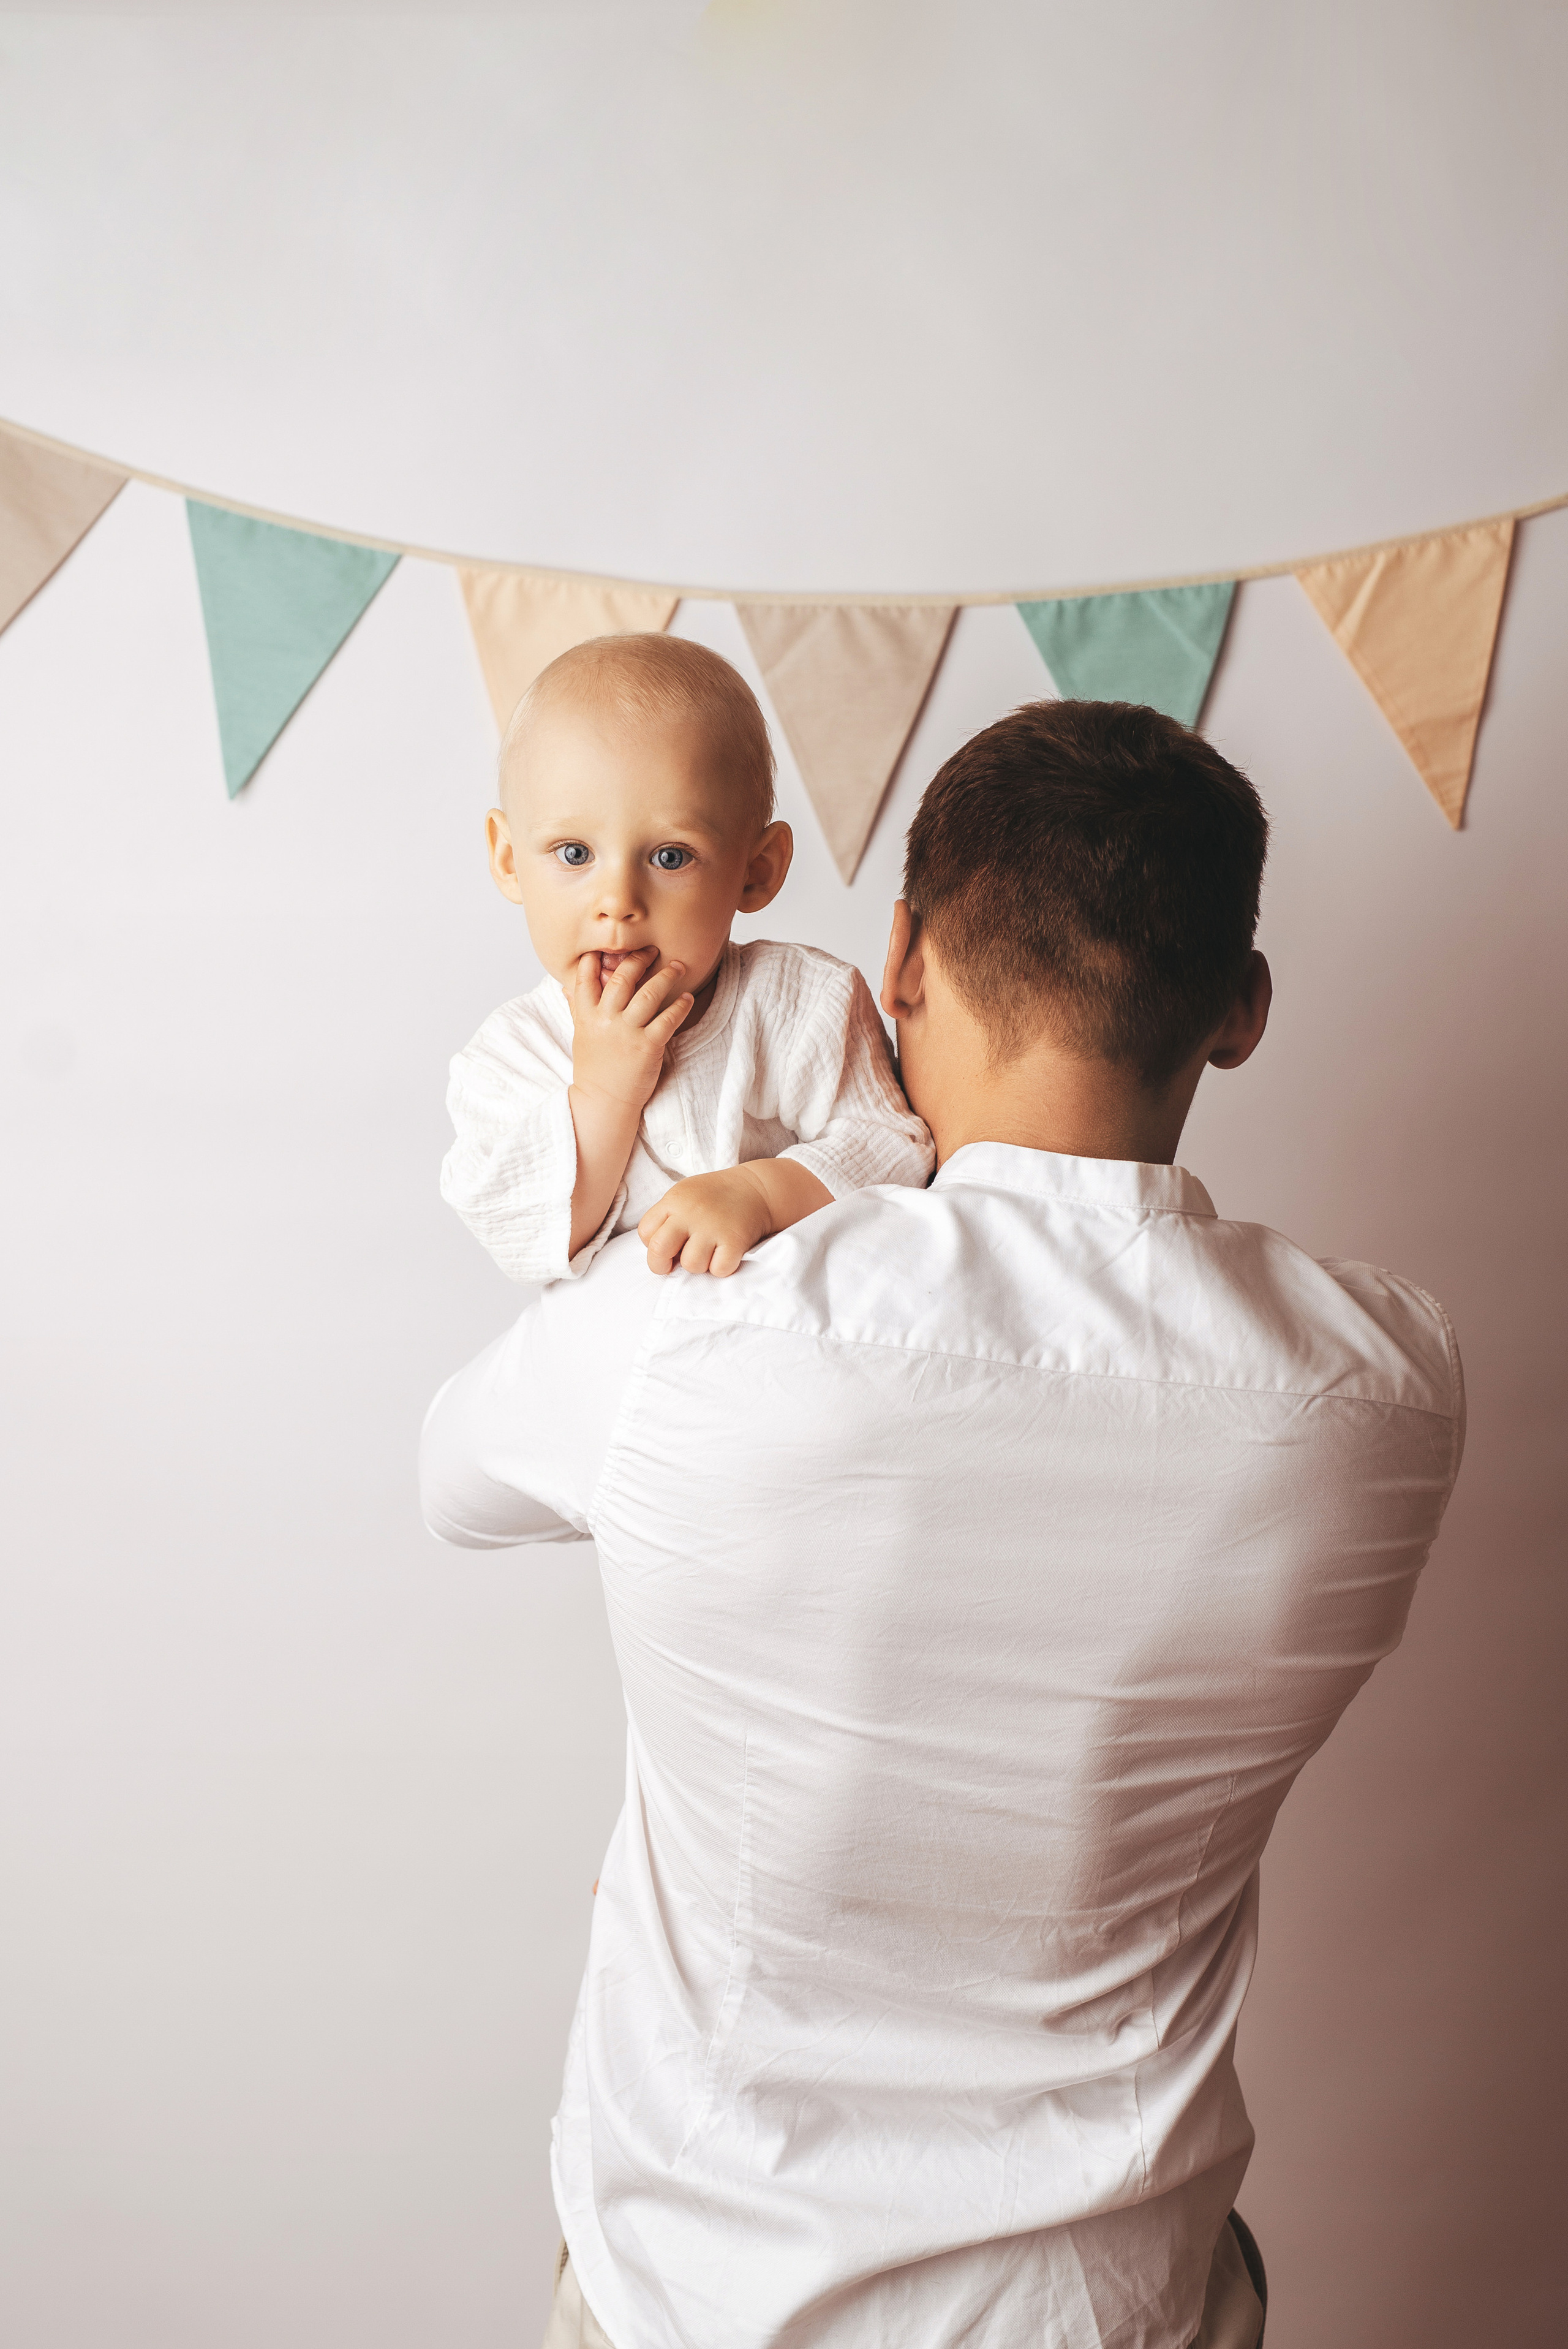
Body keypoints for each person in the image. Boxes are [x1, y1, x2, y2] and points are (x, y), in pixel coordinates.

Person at [421, 700, 1465, 2349]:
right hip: (1123, 2304)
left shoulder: (692, 1320)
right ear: (1243, 1010)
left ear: (895, 958)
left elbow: (457, 1476)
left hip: (707, 2295)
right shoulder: (1390, 1387)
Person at [440, 632, 933, 1285]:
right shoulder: (510, 1058)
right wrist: (603, 1092)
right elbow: (522, 1232)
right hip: (623, 1366)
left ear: (755, 873)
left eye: (670, 857)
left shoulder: (800, 1002)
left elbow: (896, 1149)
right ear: (509, 861)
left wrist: (761, 1193)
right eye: (575, 854)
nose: (617, 901)